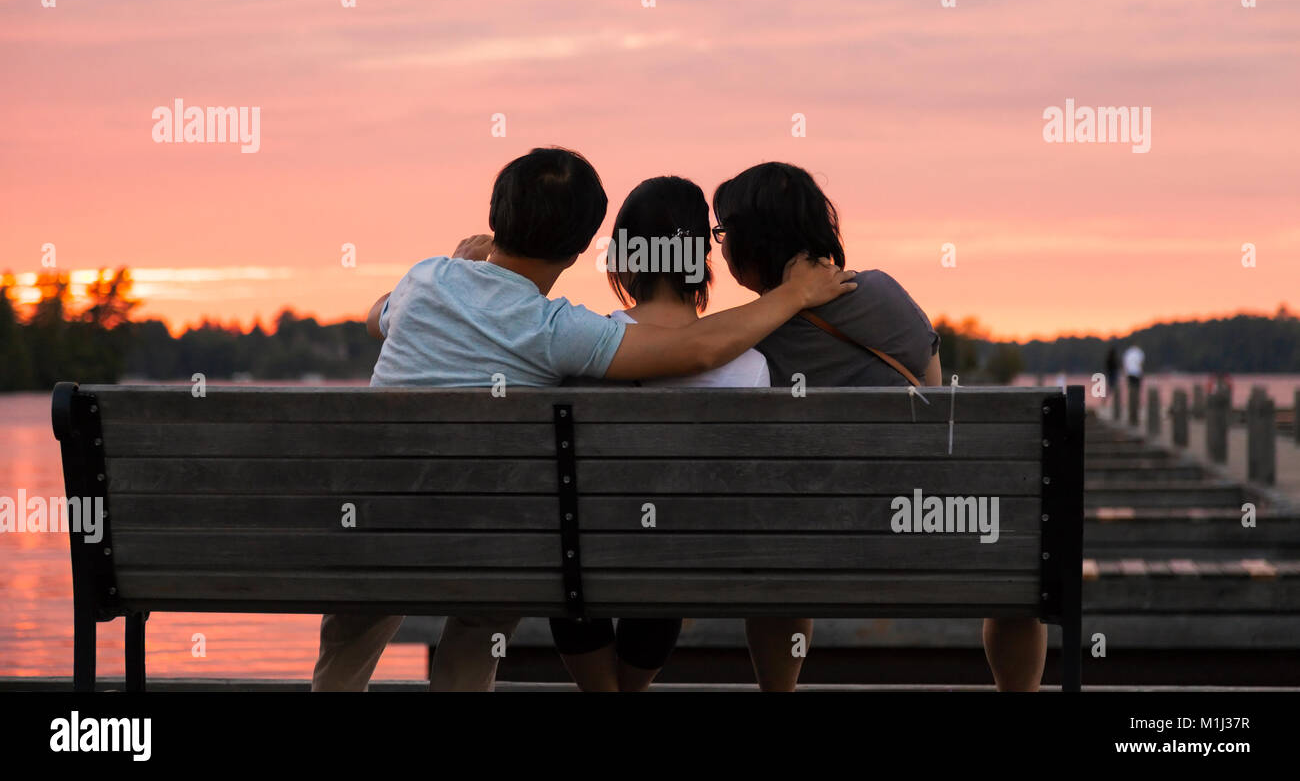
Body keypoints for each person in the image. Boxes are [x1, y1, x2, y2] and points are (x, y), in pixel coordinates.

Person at [310, 148, 856, 692]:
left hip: (370, 528)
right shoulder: (557, 331)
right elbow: (697, 351)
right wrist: (793, 293)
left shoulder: (423, 281)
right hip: (483, 547)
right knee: (481, 622)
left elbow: (376, 315)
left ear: (497, 217)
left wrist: (459, 266)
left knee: (350, 639)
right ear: (577, 251)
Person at [713, 161, 1045, 692]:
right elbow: (934, 403)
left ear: (753, 242)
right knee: (1023, 572)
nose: (721, 248)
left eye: (724, 233)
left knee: (778, 556)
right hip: (925, 534)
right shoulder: (886, 295)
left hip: (805, 550)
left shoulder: (739, 338)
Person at [547, 175, 771, 691]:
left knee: (574, 550)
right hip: (690, 563)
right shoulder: (752, 367)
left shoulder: (581, 348)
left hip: (579, 565)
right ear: (702, 263)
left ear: (624, 260)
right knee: (670, 542)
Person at [1123, 342, 1145, 427]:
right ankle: (1135, 416)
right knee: (1137, 394)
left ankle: (1131, 416)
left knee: (1131, 394)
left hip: (1129, 374)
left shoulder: (1127, 352)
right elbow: (1141, 364)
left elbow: (1125, 365)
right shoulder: (1139, 352)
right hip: (1137, 374)